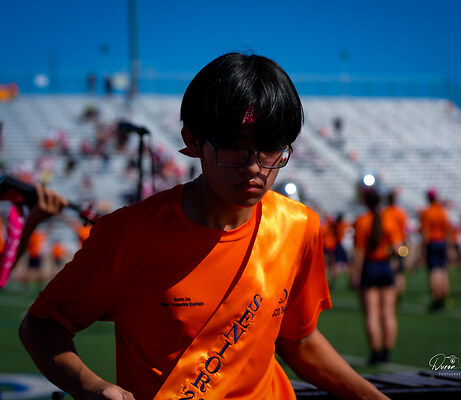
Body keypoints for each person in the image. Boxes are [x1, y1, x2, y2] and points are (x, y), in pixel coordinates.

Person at [19, 53, 388, 400]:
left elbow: (299, 341)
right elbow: (42, 325)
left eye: (271, 148)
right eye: (233, 147)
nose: (255, 167)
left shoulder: (299, 226)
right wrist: (90, 386)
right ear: (193, 140)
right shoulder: (129, 235)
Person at [351, 188, 399, 365]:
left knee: (371, 314)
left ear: (366, 202)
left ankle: (375, 352)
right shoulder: (389, 219)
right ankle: (387, 352)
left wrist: (355, 275)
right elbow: (398, 248)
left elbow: (359, 252)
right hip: (385, 266)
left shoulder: (362, 221)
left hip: (370, 267)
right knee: (388, 313)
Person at [0, 183, 68, 288]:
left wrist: (33, 221)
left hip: (35, 254)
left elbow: (3, 268)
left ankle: (31, 285)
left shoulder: (41, 236)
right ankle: (26, 285)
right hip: (33, 254)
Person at [419, 188, 451, 311]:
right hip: (442, 242)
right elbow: (447, 229)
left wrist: (423, 247)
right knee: (443, 270)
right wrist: (449, 246)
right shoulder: (442, 211)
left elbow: (425, 231)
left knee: (434, 271)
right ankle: (443, 297)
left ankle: (436, 298)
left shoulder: (427, 212)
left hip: (432, 242)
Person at [384, 190, 409, 298]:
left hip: (389, 243)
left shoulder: (385, 212)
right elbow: (404, 229)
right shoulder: (401, 212)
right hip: (401, 242)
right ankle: (399, 292)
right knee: (399, 270)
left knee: (391, 267)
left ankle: (393, 291)